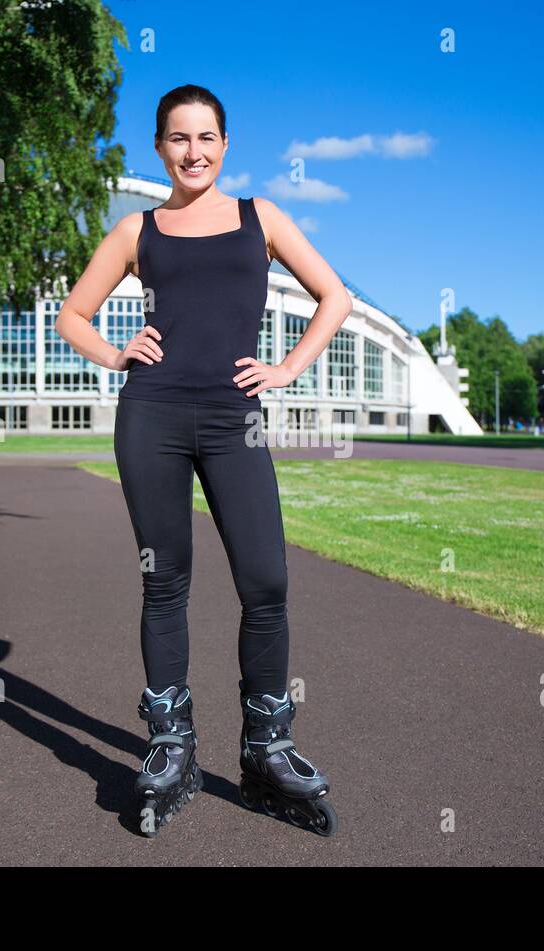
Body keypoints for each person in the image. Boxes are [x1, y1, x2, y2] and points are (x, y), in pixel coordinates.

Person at [53, 85, 350, 837]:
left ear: (226, 144)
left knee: (267, 579)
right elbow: (70, 316)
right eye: (179, 139)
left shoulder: (262, 218)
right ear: (159, 148)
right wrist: (117, 353)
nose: (194, 152)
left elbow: (335, 299)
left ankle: (267, 748)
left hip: (233, 421)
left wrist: (284, 370)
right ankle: (171, 743)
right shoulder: (137, 229)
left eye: (207, 138)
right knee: (165, 581)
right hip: (150, 414)